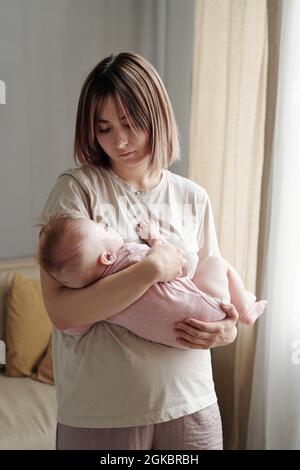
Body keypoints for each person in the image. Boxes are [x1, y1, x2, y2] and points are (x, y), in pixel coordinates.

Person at [39, 51, 239, 450]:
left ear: (157, 116)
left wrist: (227, 330)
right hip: (101, 413)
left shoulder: (192, 197)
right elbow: (63, 313)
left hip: (191, 404)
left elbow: (211, 286)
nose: (120, 141)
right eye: (105, 129)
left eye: (130, 125)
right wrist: (151, 269)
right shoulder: (77, 190)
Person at [38, 215, 266, 349]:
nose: (105, 223)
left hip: (180, 338)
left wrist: (230, 332)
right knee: (216, 263)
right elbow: (177, 264)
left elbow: (71, 326)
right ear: (108, 257)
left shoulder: (98, 304)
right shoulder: (131, 256)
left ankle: (241, 311)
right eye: (103, 228)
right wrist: (154, 237)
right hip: (207, 307)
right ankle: (245, 309)